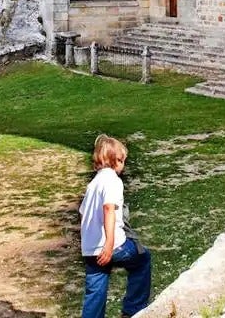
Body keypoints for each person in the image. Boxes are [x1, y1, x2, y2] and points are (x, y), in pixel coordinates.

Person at [80, 134, 151, 318]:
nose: (123, 166)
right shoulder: (112, 180)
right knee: (142, 259)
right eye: (123, 161)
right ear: (116, 160)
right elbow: (108, 208)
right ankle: (132, 310)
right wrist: (109, 243)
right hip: (112, 245)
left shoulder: (92, 185)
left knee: (95, 294)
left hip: (90, 250)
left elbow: (83, 213)